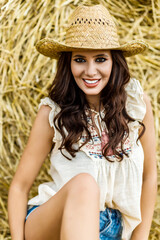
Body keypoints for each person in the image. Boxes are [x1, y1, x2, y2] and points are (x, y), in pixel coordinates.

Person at [8, 4, 157, 240]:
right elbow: (19, 187)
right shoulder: (53, 113)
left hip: (110, 230)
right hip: (50, 223)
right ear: (68, 63)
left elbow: (149, 178)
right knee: (85, 185)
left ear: (114, 62)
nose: (90, 71)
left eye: (100, 59)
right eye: (80, 59)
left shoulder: (136, 107)